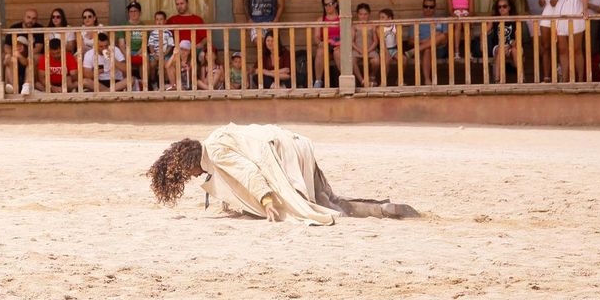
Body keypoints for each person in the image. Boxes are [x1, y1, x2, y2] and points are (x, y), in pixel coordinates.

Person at [147, 125, 418, 221]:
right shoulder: (216, 137)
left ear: (192, 161)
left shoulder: (216, 153)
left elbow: (247, 172)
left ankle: (381, 211)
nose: (192, 176)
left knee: (315, 207)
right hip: (293, 143)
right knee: (326, 198)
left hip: (283, 154)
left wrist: (266, 200)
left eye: (188, 172)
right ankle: (382, 208)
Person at [545, 0, 590, 82]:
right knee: (563, 50)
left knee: (577, 50)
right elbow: (552, 3)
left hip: (576, 18)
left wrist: (585, 9)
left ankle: (580, 80)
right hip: (560, 20)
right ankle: (565, 79)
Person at [166, 0, 209, 89]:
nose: (179, 6)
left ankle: (191, 85)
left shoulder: (197, 19)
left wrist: (201, 44)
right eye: (177, 4)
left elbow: (205, 38)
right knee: (168, 62)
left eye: (182, 3)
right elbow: (165, 35)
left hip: (193, 49)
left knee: (199, 58)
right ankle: (175, 85)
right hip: (178, 50)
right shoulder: (172, 20)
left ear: (187, 3)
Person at [2, 7, 41, 95]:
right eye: (28, 17)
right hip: (16, 55)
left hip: (30, 56)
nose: (31, 20)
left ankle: (26, 85)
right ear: (24, 17)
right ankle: (13, 87)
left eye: (34, 19)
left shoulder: (39, 28)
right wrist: (14, 54)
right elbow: (7, 46)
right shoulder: (14, 28)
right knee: (9, 57)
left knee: (32, 59)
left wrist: (25, 56)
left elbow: (39, 48)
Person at [413, 0, 449, 85]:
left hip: (439, 49)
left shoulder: (441, 20)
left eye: (431, 7)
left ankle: (415, 50)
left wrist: (433, 38)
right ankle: (427, 80)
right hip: (424, 50)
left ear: (435, 8)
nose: (428, 9)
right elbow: (410, 40)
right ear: (422, 7)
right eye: (426, 6)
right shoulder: (416, 21)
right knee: (427, 49)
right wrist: (425, 41)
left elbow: (445, 37)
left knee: (441, 35)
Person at [486, 0, 519, 84]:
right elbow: (484, 32)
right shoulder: (495, 19)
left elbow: (518, 38)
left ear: (509, 7)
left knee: (515, 50)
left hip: (512, 46)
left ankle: (521, 79)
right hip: (498, 46)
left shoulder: (515, 20)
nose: (502, 9)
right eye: (499, 7)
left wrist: (510, 46)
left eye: (504, 6)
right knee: (501, 49)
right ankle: (497, 80)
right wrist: (482, 42)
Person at [311, 0, 340, 88]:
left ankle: (345, 79)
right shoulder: (320, 20)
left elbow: (348, 34)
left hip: (340, 45)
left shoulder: (341, 19)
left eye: (330, 4)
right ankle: (318, 81)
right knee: (320, 52)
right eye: (325, 5)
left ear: (335, 4)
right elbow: (316, 37)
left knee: (338, 52)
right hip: (326, 46)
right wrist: (320, 43)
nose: (328, 7)